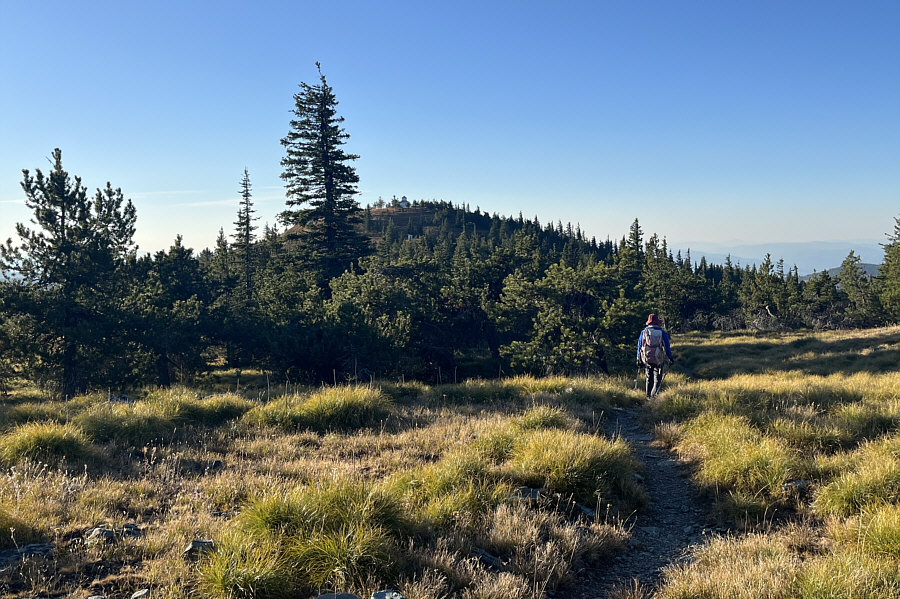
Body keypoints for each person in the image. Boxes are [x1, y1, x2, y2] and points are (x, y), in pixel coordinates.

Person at [636, 313, 674, 398]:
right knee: (657, 378)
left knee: (648, 377)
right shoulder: (662, 332)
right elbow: (667, 347)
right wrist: (670, 357)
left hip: (647, 357)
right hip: (658, 358)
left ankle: (648, 396)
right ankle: (653, 397)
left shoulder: (644, 331)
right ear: (657, 322)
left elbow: (640, 346)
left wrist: (638, 358)